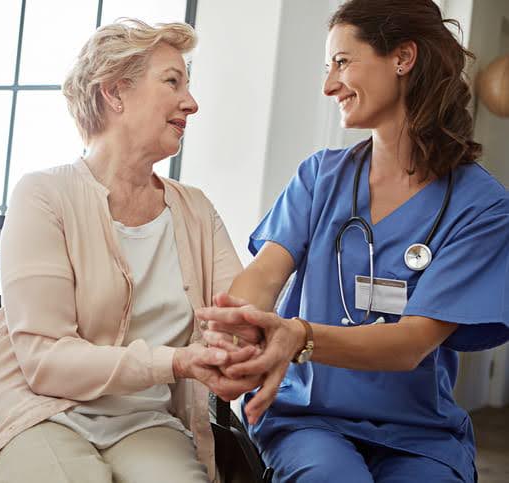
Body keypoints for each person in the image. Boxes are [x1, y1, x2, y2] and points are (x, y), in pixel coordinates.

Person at [0, 19, 258, 483]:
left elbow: (237, 317)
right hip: (30, 409)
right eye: (172, 81)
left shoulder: (196, 211)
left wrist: (241, 348)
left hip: (142, 420)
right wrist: (176, 361)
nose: (191, 102)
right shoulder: (44, 195)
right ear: (114, 92)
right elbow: (44, 361)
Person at [197, 1, 509, 482]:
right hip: (309, 418)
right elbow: (265, 274)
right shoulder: (320, 177)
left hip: (419, 431)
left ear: (402, 58)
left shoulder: (480, 206)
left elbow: (411, 344)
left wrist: (298, 336)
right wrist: (234, 332)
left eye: (342, 62)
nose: (328, 85)